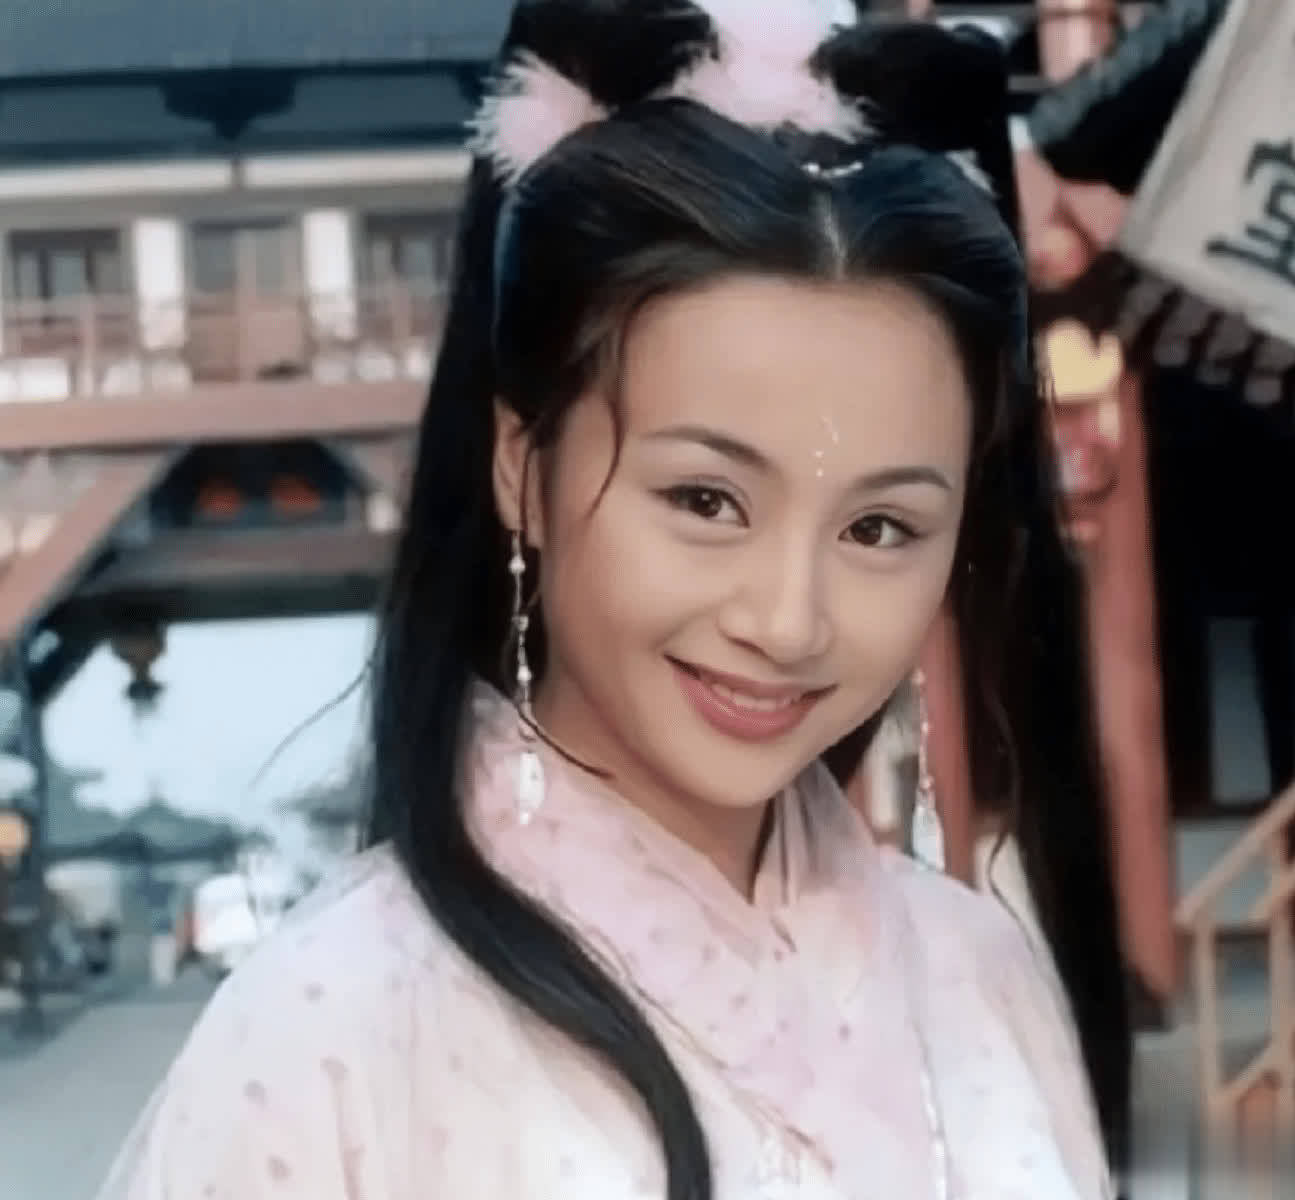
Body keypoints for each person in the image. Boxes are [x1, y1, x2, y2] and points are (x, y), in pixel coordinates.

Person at [96, 3, 1128, 1197]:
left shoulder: (977, 969)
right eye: (704, 499)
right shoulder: (328, 1025)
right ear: (519, 466)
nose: (787, 619)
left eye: (878, 528)